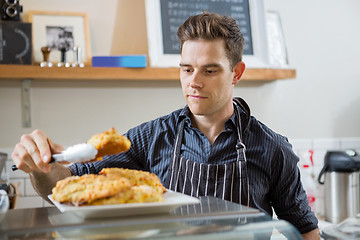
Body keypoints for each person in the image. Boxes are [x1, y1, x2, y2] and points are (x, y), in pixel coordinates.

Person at [12, 12, 319, 239]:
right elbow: (62, 185)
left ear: (236, 73)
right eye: (186, 69)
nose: (194, 82)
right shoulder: (152, 137)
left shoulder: (273, 148)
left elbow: (305, 230)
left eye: (209, 70)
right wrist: (40, 167)